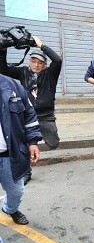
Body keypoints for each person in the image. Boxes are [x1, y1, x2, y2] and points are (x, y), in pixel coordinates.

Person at [0, 36, 62, 184]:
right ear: (29, 62)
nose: (36, 64)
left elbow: (58, 60)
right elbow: (3, 69)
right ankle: (26, 171)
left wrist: (41, 45)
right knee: (25, 144)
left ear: (45, 65)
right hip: (26, 115)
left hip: (45, 115)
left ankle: (37, 137)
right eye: (33, 61)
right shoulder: (23, 72)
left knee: (53, 143)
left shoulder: (50, 74)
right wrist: (3, 49)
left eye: (40, 62)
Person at [0, 74, 42, 227]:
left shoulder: (13, 86)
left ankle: (10, 209)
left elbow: (29, 115)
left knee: (16, 192)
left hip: (10, 156)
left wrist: (33, 142)